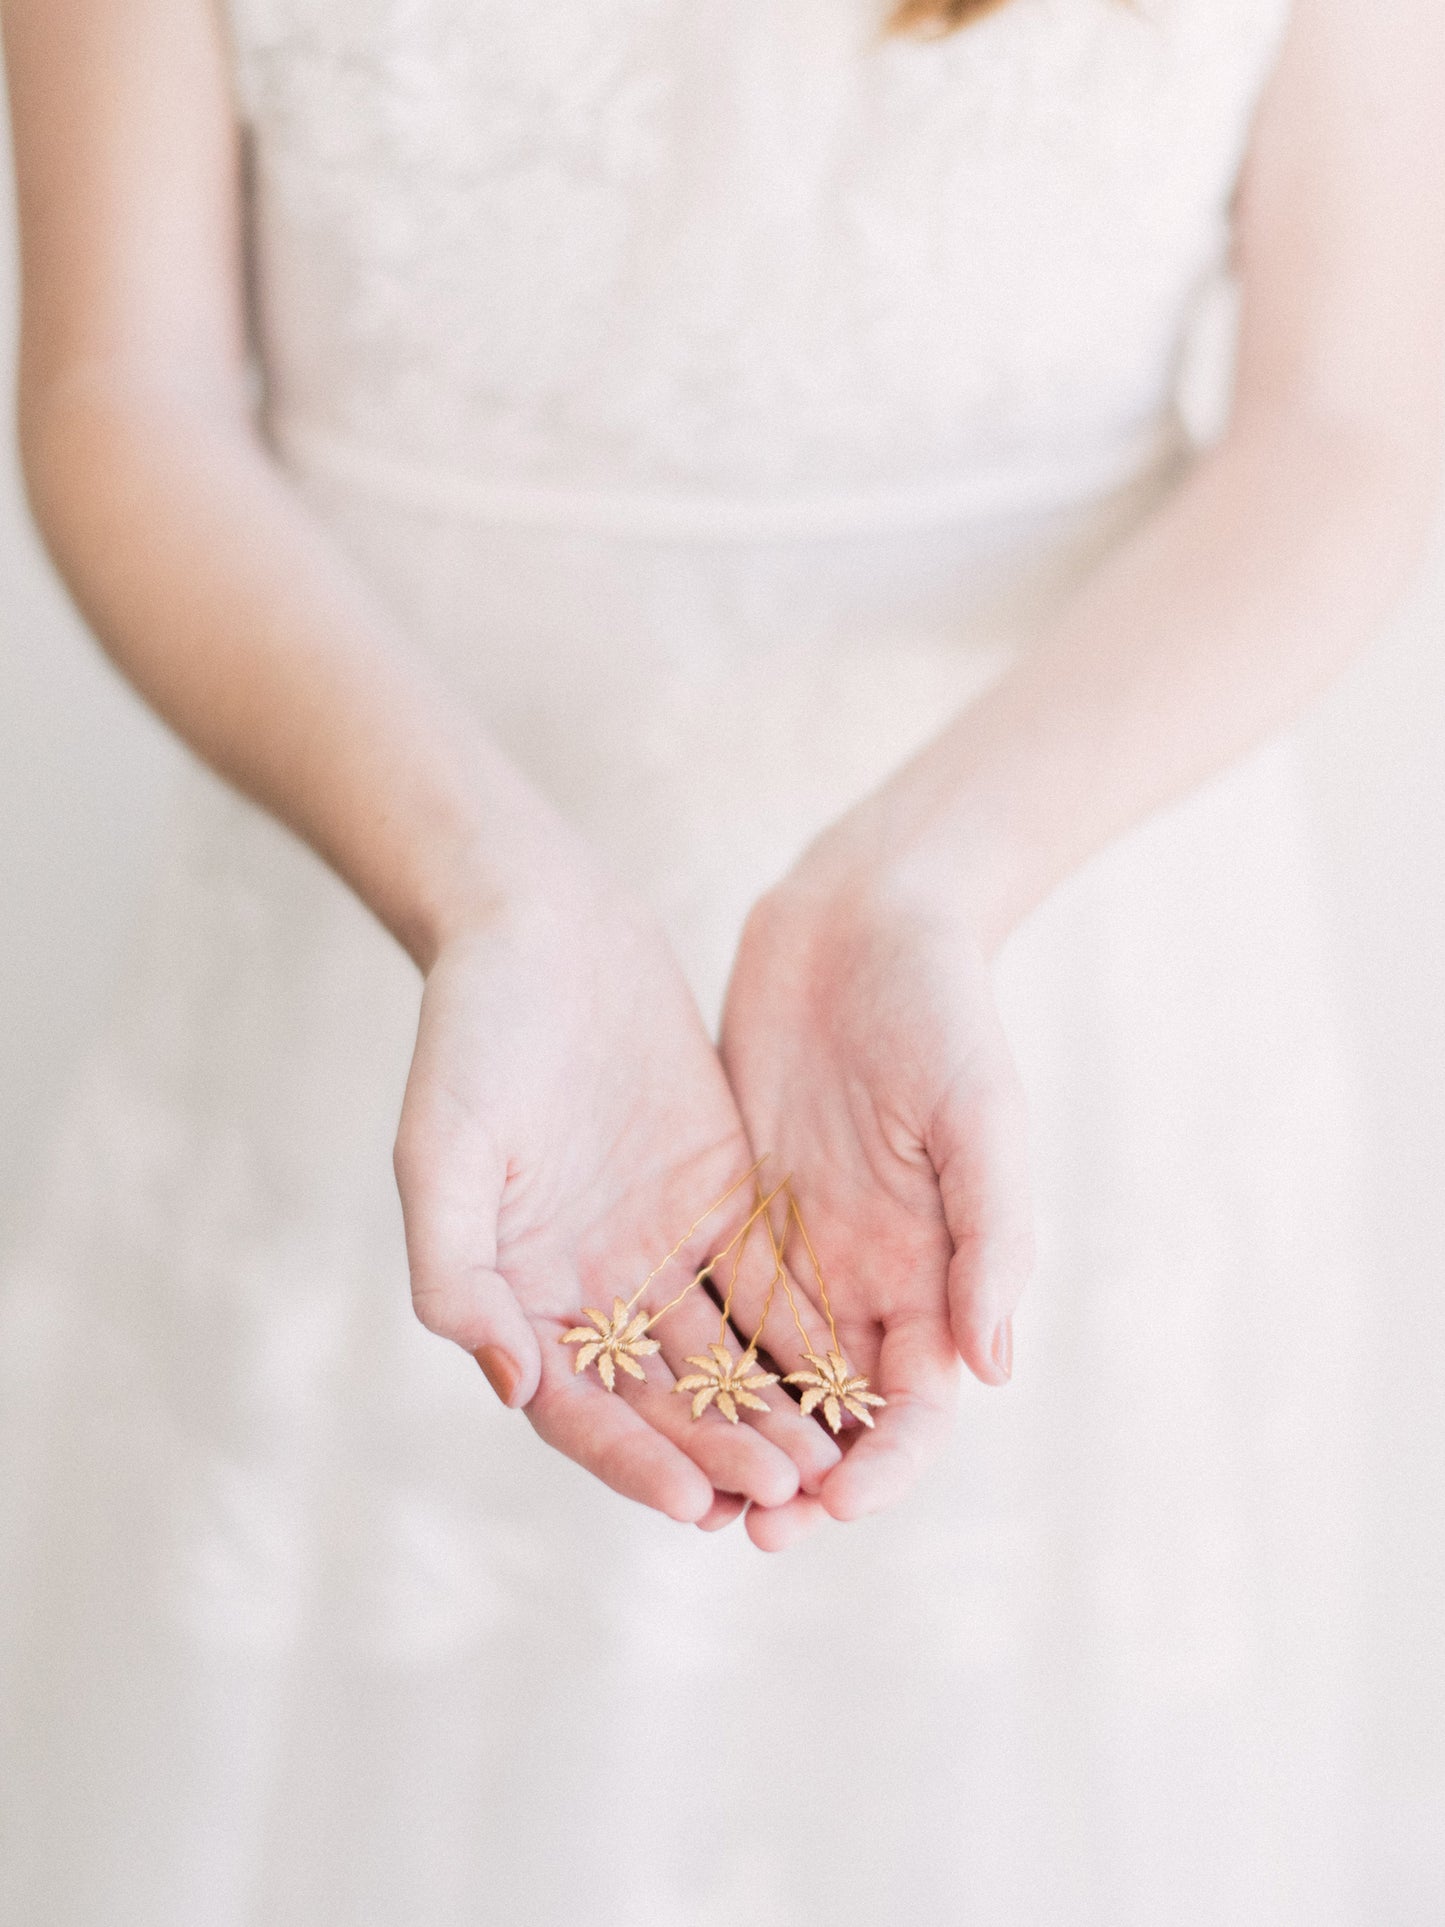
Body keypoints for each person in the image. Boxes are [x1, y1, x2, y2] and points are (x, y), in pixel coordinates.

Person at [1, 0, 1441, 1918]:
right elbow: (125, 390)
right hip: (387, 913)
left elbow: (1345, 424)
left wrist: (932, 881)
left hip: (1057, 942)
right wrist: (484, 889)